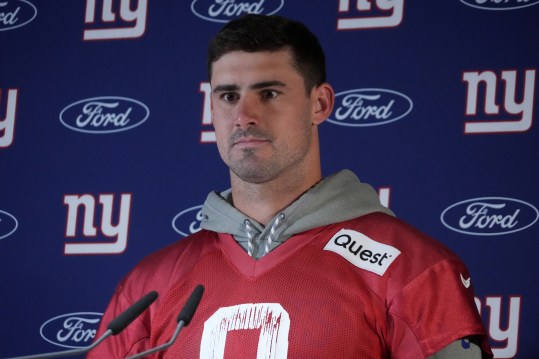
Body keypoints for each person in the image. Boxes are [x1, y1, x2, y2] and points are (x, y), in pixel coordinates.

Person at [88, 14, 493, 358]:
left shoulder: (412, 269)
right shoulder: (149, 285)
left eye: (268, 93)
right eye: (228, 96)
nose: (244, 115)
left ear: (319, 104)